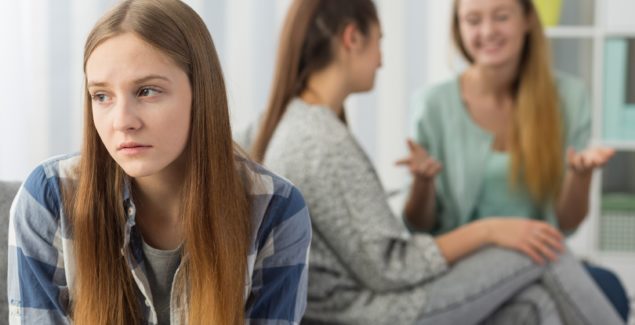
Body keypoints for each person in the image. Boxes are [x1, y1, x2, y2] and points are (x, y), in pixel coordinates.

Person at [253, 0, 624, 324]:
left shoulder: (301, 123)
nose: (382, 60)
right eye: (380, 42)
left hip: (372, 300)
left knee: (533, 306)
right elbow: (392, 265)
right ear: (352, 38)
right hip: (377, 310)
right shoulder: (324, 141)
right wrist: (489, 230)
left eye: (500, 17)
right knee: (546, 248)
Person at [7, 0, 311, 324]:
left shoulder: (275, 210)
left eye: (147, 91)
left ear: (201, 92)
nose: (122, 121)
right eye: (102, 96)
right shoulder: (48, 201)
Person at [402, 0, 630, 321]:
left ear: (526, 20)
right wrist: (423, 184)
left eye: (501, 16)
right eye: (472, 20)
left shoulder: (568, 98)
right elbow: (419, 228)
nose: (487, 31)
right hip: (465, 266)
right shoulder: (433, 104)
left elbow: (566, 223)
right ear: (458, 28)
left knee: (540, 300)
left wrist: (580, 176)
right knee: (555, 262)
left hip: (540, 260)